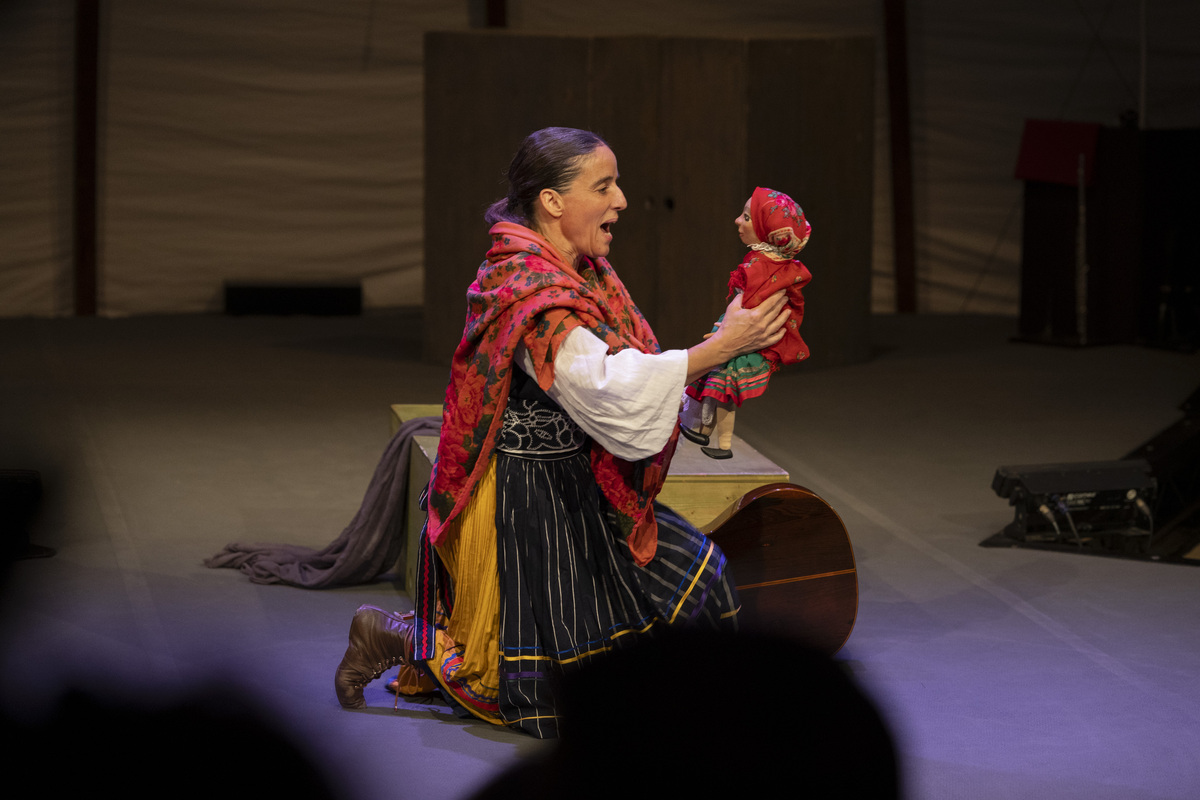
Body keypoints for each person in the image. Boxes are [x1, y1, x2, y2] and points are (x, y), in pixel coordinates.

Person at [333, 127, 789, 738]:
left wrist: (716, 366)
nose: (621, 200)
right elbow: (606, 385)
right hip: (533, 496)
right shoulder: (529, 290)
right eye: (603, 186)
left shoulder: (579, 270)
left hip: (581, 473)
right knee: (552, 682)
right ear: (551, 201)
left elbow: (628, 364)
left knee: (698, 580)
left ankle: (707, 708)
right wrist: (717, 349)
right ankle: (391, 634)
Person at [679, 186, 812, 458]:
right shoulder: (772, 265)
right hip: (741, 335)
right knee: (714, 385)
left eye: (747, 218)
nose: (738, 221)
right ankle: (703, 432)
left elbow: (750, 307)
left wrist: (723, 332)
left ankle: (722, 444)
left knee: (723, 389)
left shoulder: (762, 268)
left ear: (766, 230)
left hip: (748, 344)